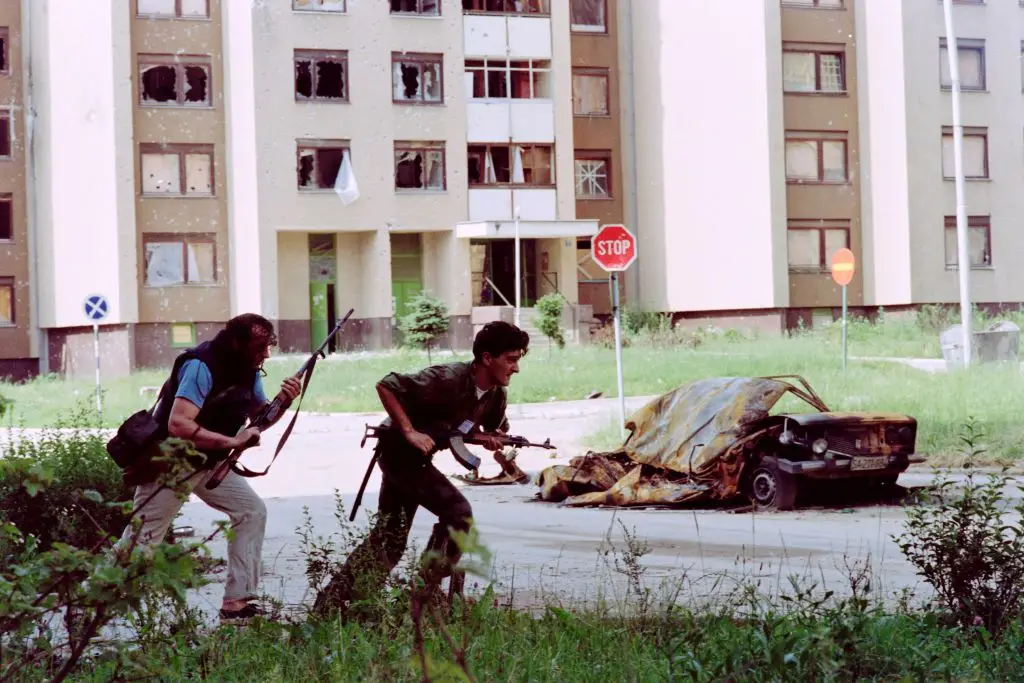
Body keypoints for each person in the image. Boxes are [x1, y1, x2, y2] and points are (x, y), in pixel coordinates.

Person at [314, 320, 530, 617]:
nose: (516, 368)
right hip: (398, 452)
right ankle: (422, 591)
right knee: (457, 512)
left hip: (419, 460)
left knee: (390, 538)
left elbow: (485, 432)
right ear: (487, 358)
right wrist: (409, 431)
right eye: (512, 359)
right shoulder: (448, 378)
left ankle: (336, 605)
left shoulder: (494, 396)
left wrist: (494, 443)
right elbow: (387, 385)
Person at [115, 313, 302, 625]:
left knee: (252, 512)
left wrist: (283, 402)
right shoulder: (201, 365)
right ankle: (91, 602)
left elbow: (259, 419)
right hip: (172, 462)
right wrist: (232, 440)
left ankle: (236, 604)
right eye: (259, 347)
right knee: (143, 537)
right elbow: (178, 423)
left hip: (208, 461)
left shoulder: (249, 369)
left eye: (267, 347)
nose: (265, 354)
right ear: (236, 342)